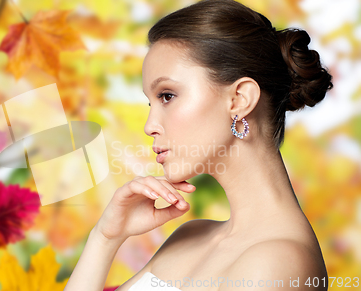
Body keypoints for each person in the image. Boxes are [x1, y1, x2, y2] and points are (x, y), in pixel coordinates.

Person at [63, 0, 333, 290]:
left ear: (239, 100)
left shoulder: (276, 264)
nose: (149, 125)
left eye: (167, 96)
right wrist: (105, 237)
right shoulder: (191, 235)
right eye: (150, 101)